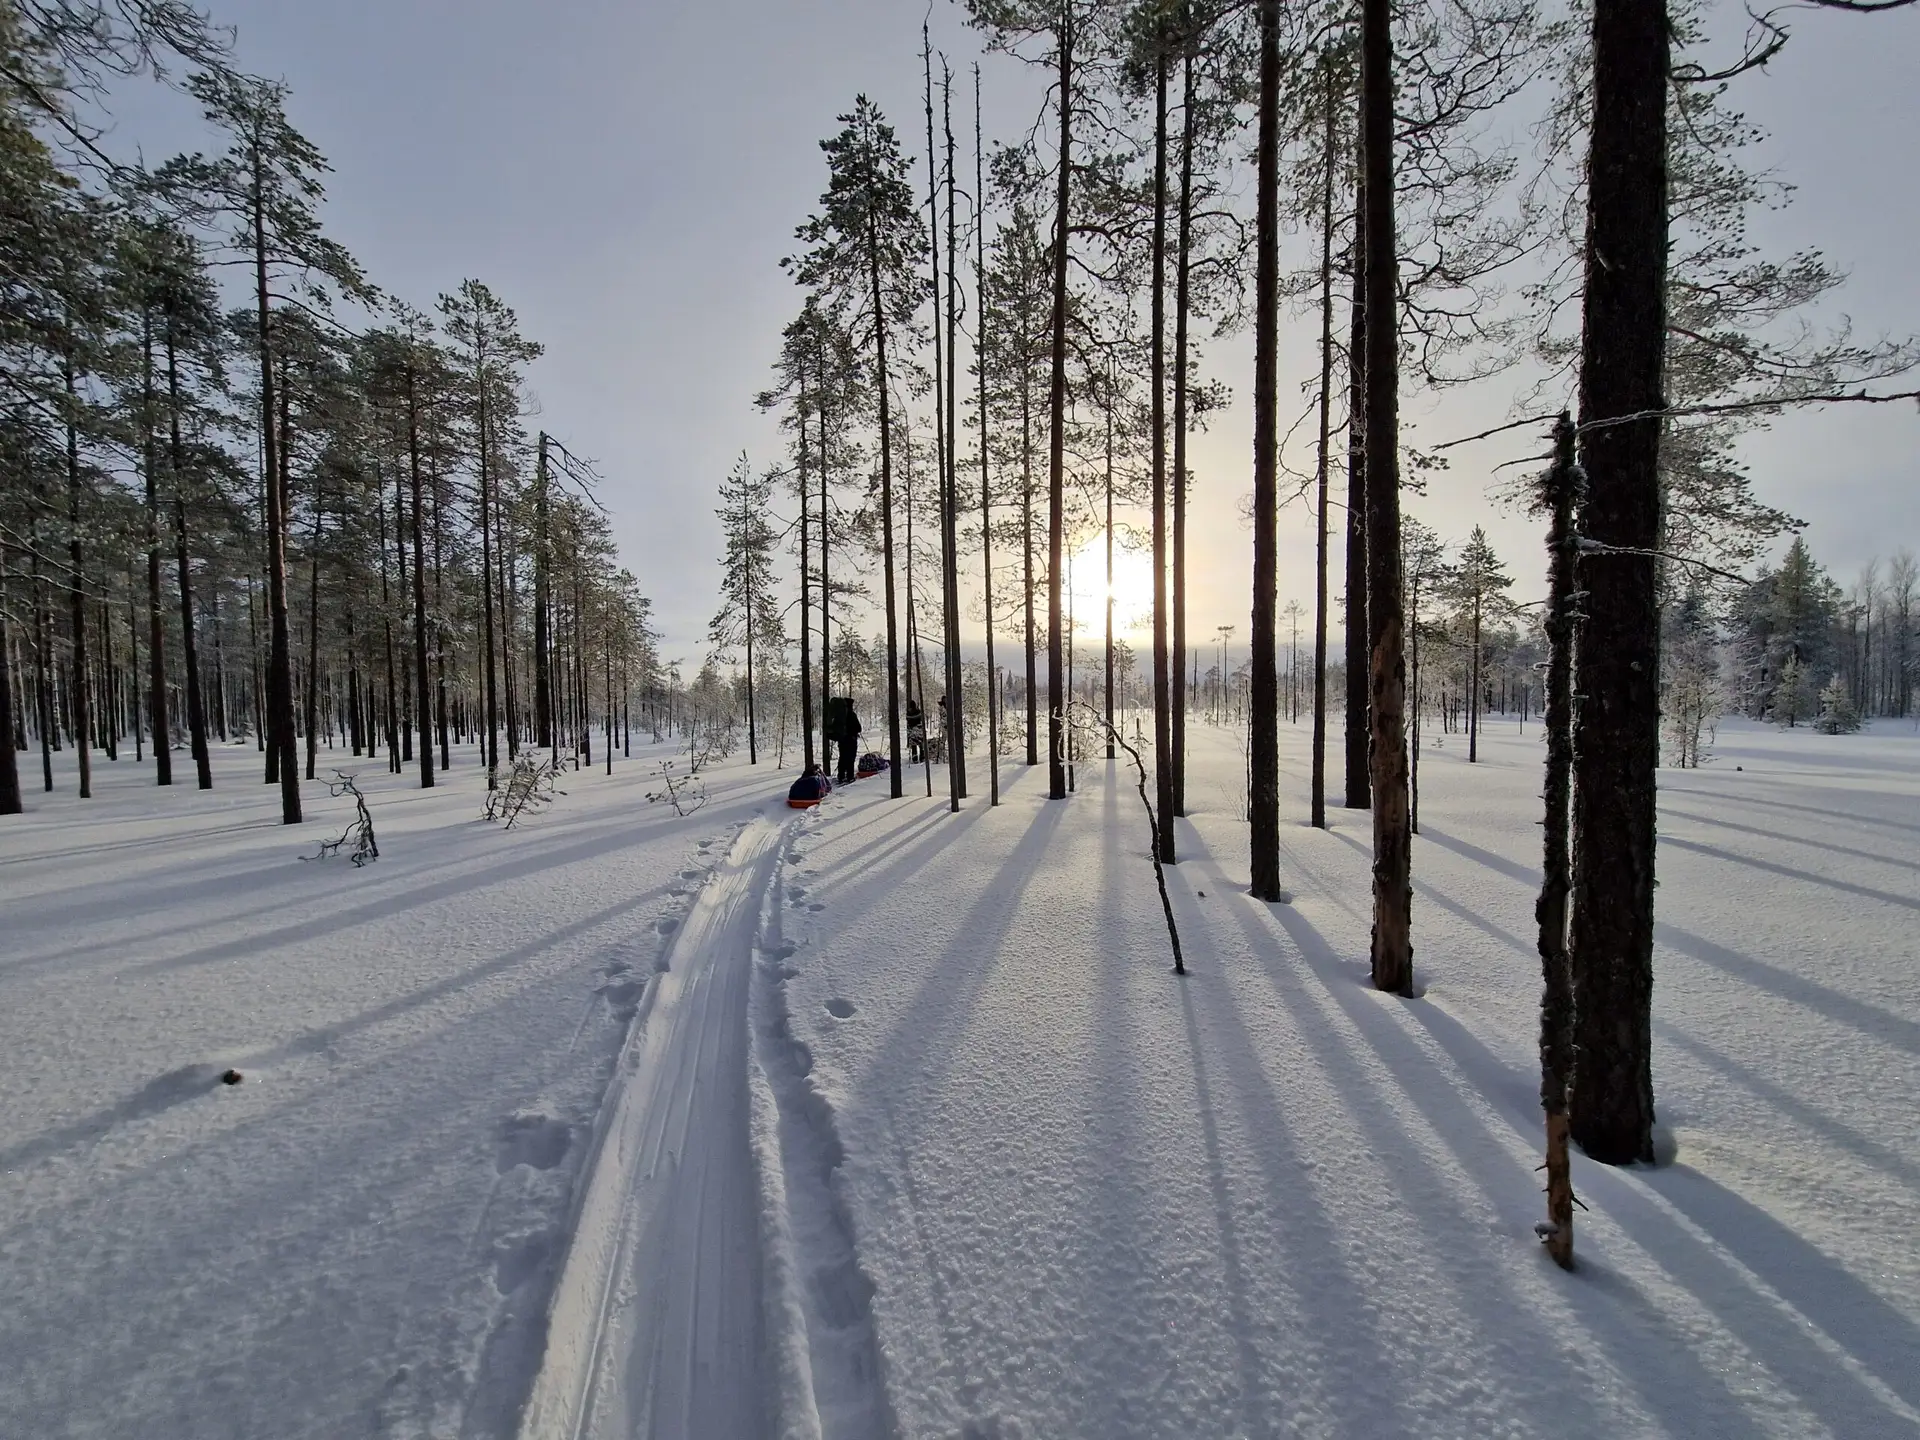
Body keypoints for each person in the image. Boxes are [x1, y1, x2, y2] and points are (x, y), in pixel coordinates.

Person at [827, 696, 861, 784]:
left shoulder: (839, 715)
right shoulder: (851, 714)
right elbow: (858, 728)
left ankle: (841, 776)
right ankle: (850, 777)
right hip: (851, 740)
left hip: (841, 739)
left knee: (842, 757)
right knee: (850, 758)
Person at [906, 696, 926, 764]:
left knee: (914, 746)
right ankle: (922, 757)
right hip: (919, 729)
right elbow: (921, 719)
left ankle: (915, 759)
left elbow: (908, 721)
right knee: (921, 745)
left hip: (912, 731)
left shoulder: (909, 712)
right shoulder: (918, 711)